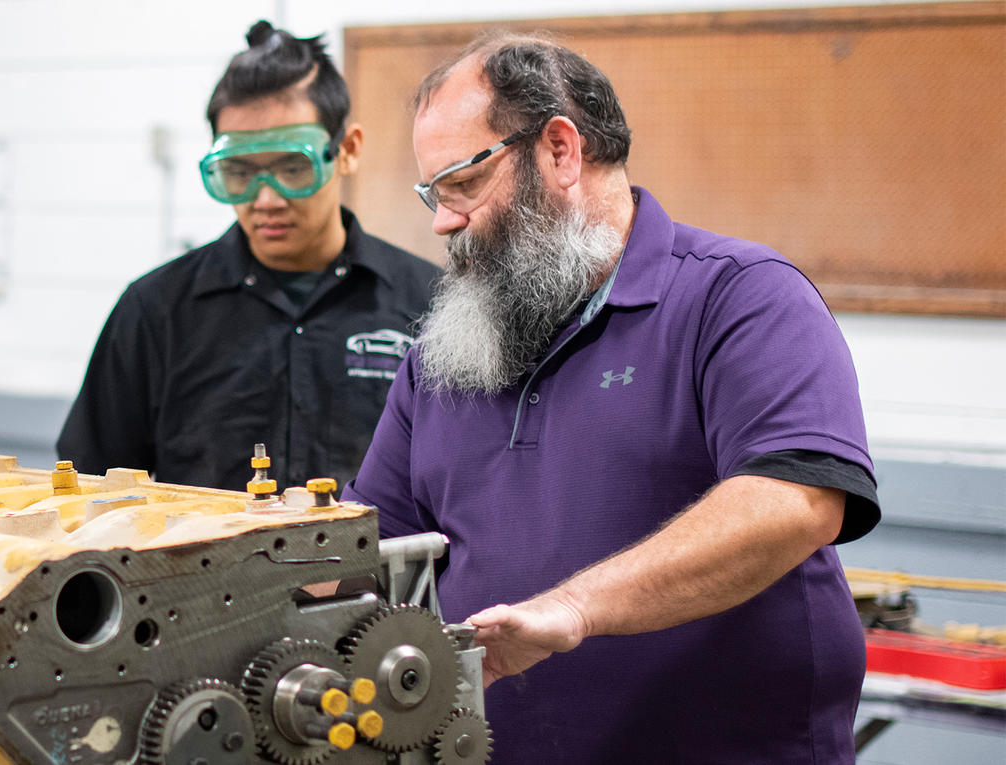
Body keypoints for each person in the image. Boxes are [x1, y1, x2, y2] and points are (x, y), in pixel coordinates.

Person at [344, 32, 881, 763]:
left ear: (560, 149)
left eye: (463, 185)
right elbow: (369, 554)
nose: (442, 221)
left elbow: (794, 501)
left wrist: (574, 609)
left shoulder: (739, 298)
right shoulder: (446, 354)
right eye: (432, 195)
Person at [58, 21, 439, 492]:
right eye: (240, 173)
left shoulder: (428, 303)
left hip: (373, 566)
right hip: (200, 567)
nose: (265, 200)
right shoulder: (157, 310)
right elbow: (88, 482)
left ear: (346, 150)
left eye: (292, 168)